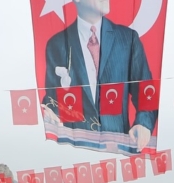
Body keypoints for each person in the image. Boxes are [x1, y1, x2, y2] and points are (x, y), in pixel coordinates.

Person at [41, 0, 158, 155]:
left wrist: (144, 124)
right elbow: (54, 99)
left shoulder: (128, 39)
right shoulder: (57, 44)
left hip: (119, 147)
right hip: (75, 150)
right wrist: (48, 111)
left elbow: (146, 92)